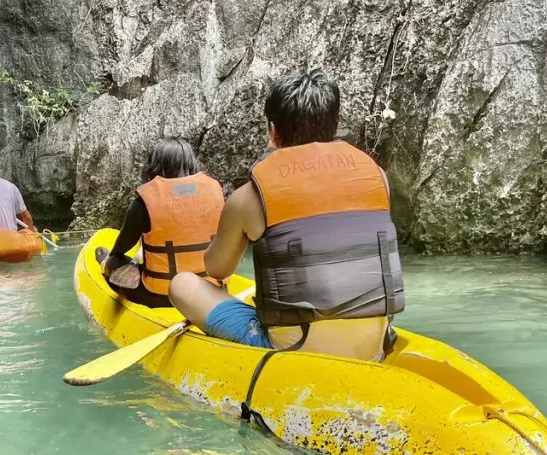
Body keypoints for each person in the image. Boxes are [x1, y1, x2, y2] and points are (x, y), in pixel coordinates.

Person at [167, 68, 404, 361]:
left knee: (182, 284)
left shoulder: (249, 198)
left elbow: (217, 269)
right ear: (334, 124)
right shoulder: (377, 177)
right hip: (374, 343)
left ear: (273, 131)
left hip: (294, 348)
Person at [97, 137, 225, 308]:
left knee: (113, 260)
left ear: (154, 166)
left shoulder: (143, 203)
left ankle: (104, 263)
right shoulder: (215, 193)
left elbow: (121, 248)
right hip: (209, 291)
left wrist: (111, 258)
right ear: (193, 163)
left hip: (161, 296)